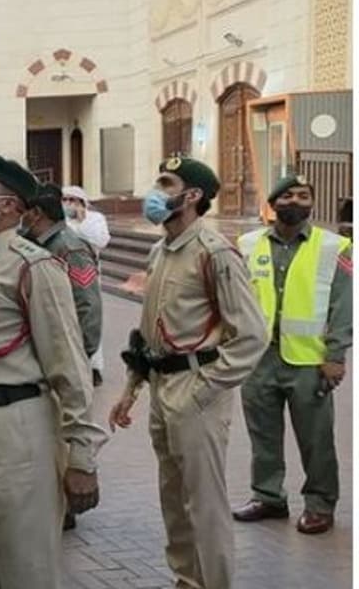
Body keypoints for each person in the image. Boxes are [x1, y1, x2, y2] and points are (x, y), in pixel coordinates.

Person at [0, 155, 105, 589]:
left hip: (15, 429)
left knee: (26, 568)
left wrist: (81, 455)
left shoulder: (33, 265)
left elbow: (69, 364)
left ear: (10, 205)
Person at [109, 157, 267, 589]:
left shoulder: (214, 252)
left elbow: (252, 334)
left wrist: (205, 388)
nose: (155, 189)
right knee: (175, 500)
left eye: (166, 182)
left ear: (192, 195)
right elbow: (149, 330)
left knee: (205, 502)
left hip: (196, 390)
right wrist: (131, 387)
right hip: (164, 387)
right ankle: (186, 580)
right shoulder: (160, 250)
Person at [232, 175, 351, 534]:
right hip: (259, 359)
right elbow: (237, 299)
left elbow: (343, 304)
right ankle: (268, 496)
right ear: (273, 202)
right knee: (263, 435)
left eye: (303, 195)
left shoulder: (335, 246)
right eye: (287, 195)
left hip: (309, 362)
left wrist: (336, 354)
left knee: (316, 439)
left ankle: (319, 504)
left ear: (311, 203)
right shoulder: (247, 243)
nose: (295, 200)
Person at [20, 183, 104, 531]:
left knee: (64, 437)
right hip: (43, 359)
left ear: (35, 213)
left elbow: (87, 305)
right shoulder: (37, 248)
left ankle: (65, 507)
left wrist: (78, 356)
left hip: (63, 358)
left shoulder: (69, 249)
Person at [63, 185, 110, 385]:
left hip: (87, 276)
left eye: (73, 200)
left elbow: (100, 240)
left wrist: (81, 222)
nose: (68, 204)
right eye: (65, 199)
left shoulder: (95, 219)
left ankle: (94, 367)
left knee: (91, 318)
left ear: (82, 203)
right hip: (64, 276)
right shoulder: (59, 220)